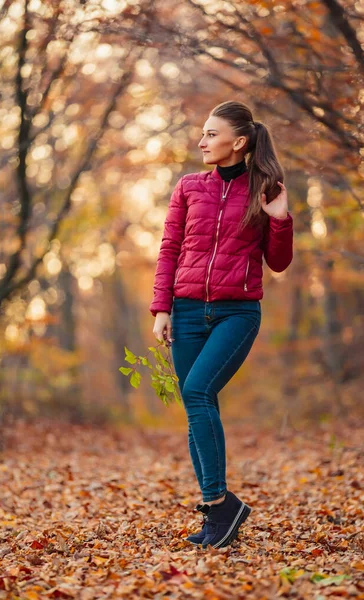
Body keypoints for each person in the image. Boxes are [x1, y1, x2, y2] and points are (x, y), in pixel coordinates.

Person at [149, 101, 293, 549]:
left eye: (211, 134)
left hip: (237, 311)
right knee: (196, 409)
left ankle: (219, 503)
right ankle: (218, 514)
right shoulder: (190, 186)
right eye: (203, 133)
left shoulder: (264, 189)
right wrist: (162, 308)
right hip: (187, 309)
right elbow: (170, 247)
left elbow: (279, 262)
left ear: (239, 141)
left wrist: (281, 220)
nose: (202, 141)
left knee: (197, 391)